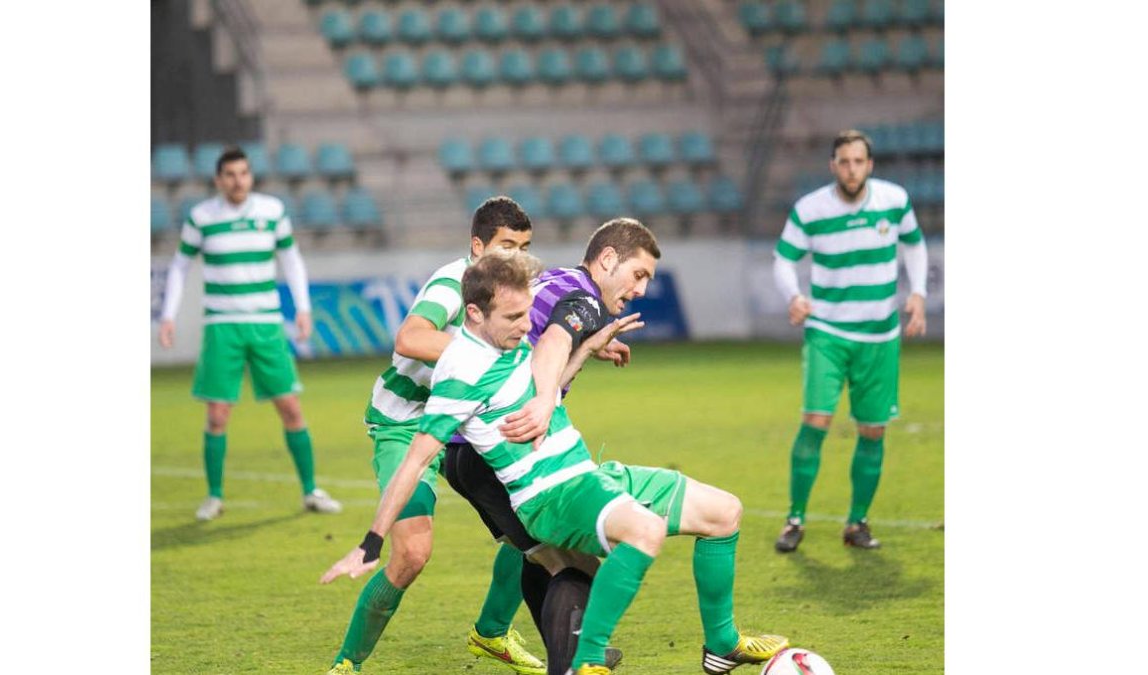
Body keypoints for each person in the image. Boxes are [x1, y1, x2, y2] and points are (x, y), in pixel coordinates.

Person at [322, 251, 790, 675]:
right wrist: (370, 543)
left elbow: (538, 393)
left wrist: (587, 349)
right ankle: (588, 663)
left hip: (586, 475)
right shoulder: (460, 373)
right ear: (474, 313)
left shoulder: (505, 342)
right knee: (641, 533)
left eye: (527, 312)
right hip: (551, 495)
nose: (527, 325)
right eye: (514, 316)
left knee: (725, 511)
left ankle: (722, 646)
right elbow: (415, 461)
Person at [327, 197, 545, 675]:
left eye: (523, 247)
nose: (515, 256)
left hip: (467, 425)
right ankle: (348, 664)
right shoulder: (453, 282)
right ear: (477, 246)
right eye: (506, 246)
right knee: (411, 554)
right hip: (405, 420)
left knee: (530, 521)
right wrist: (478, 352)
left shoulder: (513, 288)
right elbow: (410, 337)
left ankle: (491, 632)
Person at [443, 217, 661, 675]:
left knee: (545, 556)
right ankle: (574, 661)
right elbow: (551, 347)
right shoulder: (585, 299)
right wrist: (545, 403)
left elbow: (536, 343)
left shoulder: (559, 280)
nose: (641, 289)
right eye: (638, 274)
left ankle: (572, 654)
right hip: (497, 450)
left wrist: (586, 350)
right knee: (578, 567)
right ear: (607, 259)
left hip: (466, 450)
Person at [157, 146, 341, 521]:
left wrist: (302, 307)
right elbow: (179, 266)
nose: (237, 180)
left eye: (243, 173)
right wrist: (167, 315)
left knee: (290, 406)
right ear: (218, 180)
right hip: (221, 326)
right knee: (218, 415)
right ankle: (214, 496)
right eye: (230, 174)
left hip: (266, 324)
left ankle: (310, 490)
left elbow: (291, 260)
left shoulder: (271, 212)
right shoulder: (202, 217)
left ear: (251, 176)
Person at [771, 129, 928, 553]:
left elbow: (915, 246)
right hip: (828, 331)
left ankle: (857, 523)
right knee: (816, 420)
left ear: (870, 165)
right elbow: (784, 257)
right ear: (833, 165)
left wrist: (918, 293)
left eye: (858, 161)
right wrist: (795, 296)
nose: (851, 168)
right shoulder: (811, 209)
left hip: (880, 335)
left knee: (873, 431)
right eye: (844, 161)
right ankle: (795, 518)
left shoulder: (894, 201)